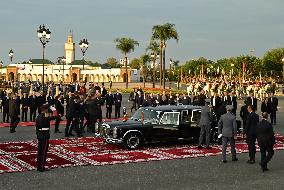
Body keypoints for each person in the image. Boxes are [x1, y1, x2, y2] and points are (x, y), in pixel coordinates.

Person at [35, 104, 56, 172]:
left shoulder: (38, 116)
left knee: (40, 151)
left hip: (39, 134)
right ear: (46, 110)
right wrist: (53, 109)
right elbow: (55, 115)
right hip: (45, 135)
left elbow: (37, 127)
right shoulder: (46, 116)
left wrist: (38, 134)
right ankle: (42, 167)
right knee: (44, 152)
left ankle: (39, 166)